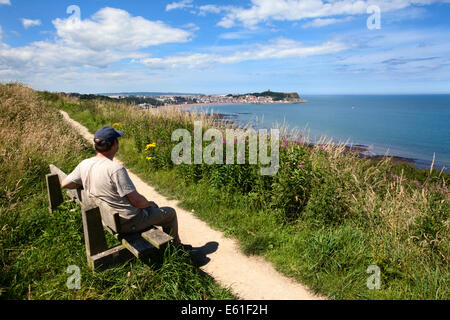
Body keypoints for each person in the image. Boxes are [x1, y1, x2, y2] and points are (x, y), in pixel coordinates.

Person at [61, 126, 181, 246]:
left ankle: (167, 246)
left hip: (108, 219)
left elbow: (65, 183)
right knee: (170, 213)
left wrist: (89, 181)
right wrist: (149, 204)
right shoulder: (115, 169)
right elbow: (137, 201)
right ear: (114, 144)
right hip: (128, 222)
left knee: (152, 208)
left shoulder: (85, 164)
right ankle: (176, 248)